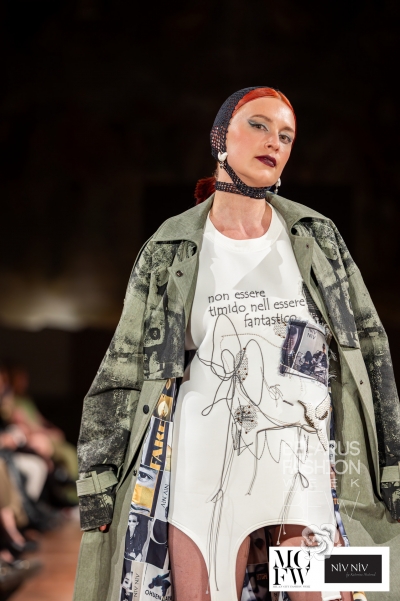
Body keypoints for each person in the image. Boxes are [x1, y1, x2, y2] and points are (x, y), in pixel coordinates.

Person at [73, 87, 400, 601]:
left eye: (286, 136)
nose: (274, 142)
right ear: (220, 137)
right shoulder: (171, 245)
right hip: (204, 470)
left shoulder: (316, 236)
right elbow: (122, 370)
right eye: (259, 125)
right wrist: (97, 486)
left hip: (303, 472)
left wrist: (391, 466)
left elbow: (371, 354)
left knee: (334, 590)